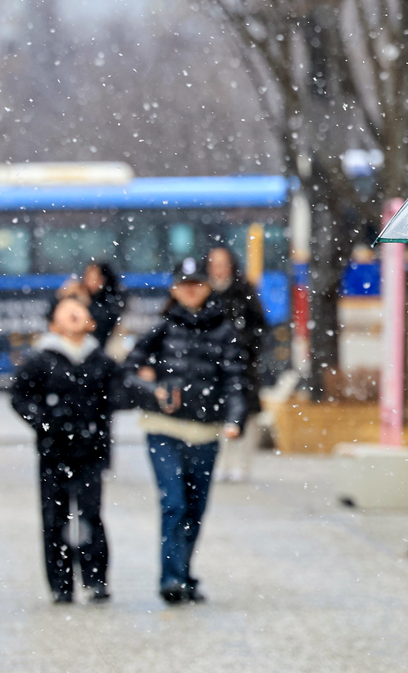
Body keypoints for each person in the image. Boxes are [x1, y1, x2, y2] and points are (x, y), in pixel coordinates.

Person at [125, 257, 246, 604]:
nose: (190, 291)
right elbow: (128, 371)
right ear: (174, 290)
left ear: (207, 287)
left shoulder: (225, 331)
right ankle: (172, 578)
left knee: (195, 507)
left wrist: (235, 419)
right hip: (163, 427)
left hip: (205, 431)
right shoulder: (161, 328)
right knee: (174, 502)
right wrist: (154, 390)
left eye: (197, 284)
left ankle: (183, 572)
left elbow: (236, 380)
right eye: (184, 285)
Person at [10, 296, 131, 604]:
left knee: (91, 515)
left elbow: (119, 394)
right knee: (55, 518)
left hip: (91, 451)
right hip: (54, 453)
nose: (74, 314)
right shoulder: (41, 360)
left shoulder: (100, 360)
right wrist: (44, 422)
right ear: (54, 324)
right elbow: (19, 396)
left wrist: (103, 417)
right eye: (66, 311)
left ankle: (95, 580)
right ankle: (61, 585)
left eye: (80, 310)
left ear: (90, 321)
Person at [204, 246, 266, 482]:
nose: (218, 269)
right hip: (211, 366)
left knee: (246, 414)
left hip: (243, 365)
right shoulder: (204, 291)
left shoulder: (243, 291)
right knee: (216, 414)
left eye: (223, 264)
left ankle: (242, 464)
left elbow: (259, 326)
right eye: (214, 264)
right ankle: (221, 463)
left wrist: (242, 347)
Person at [57, 262, 127, 348]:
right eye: (86, 276)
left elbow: (101, 324)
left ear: (103, 280)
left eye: (92, 278)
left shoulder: (112, 299)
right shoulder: (79, 295)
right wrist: (63, 296)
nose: (87, 281)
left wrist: (86, 302)